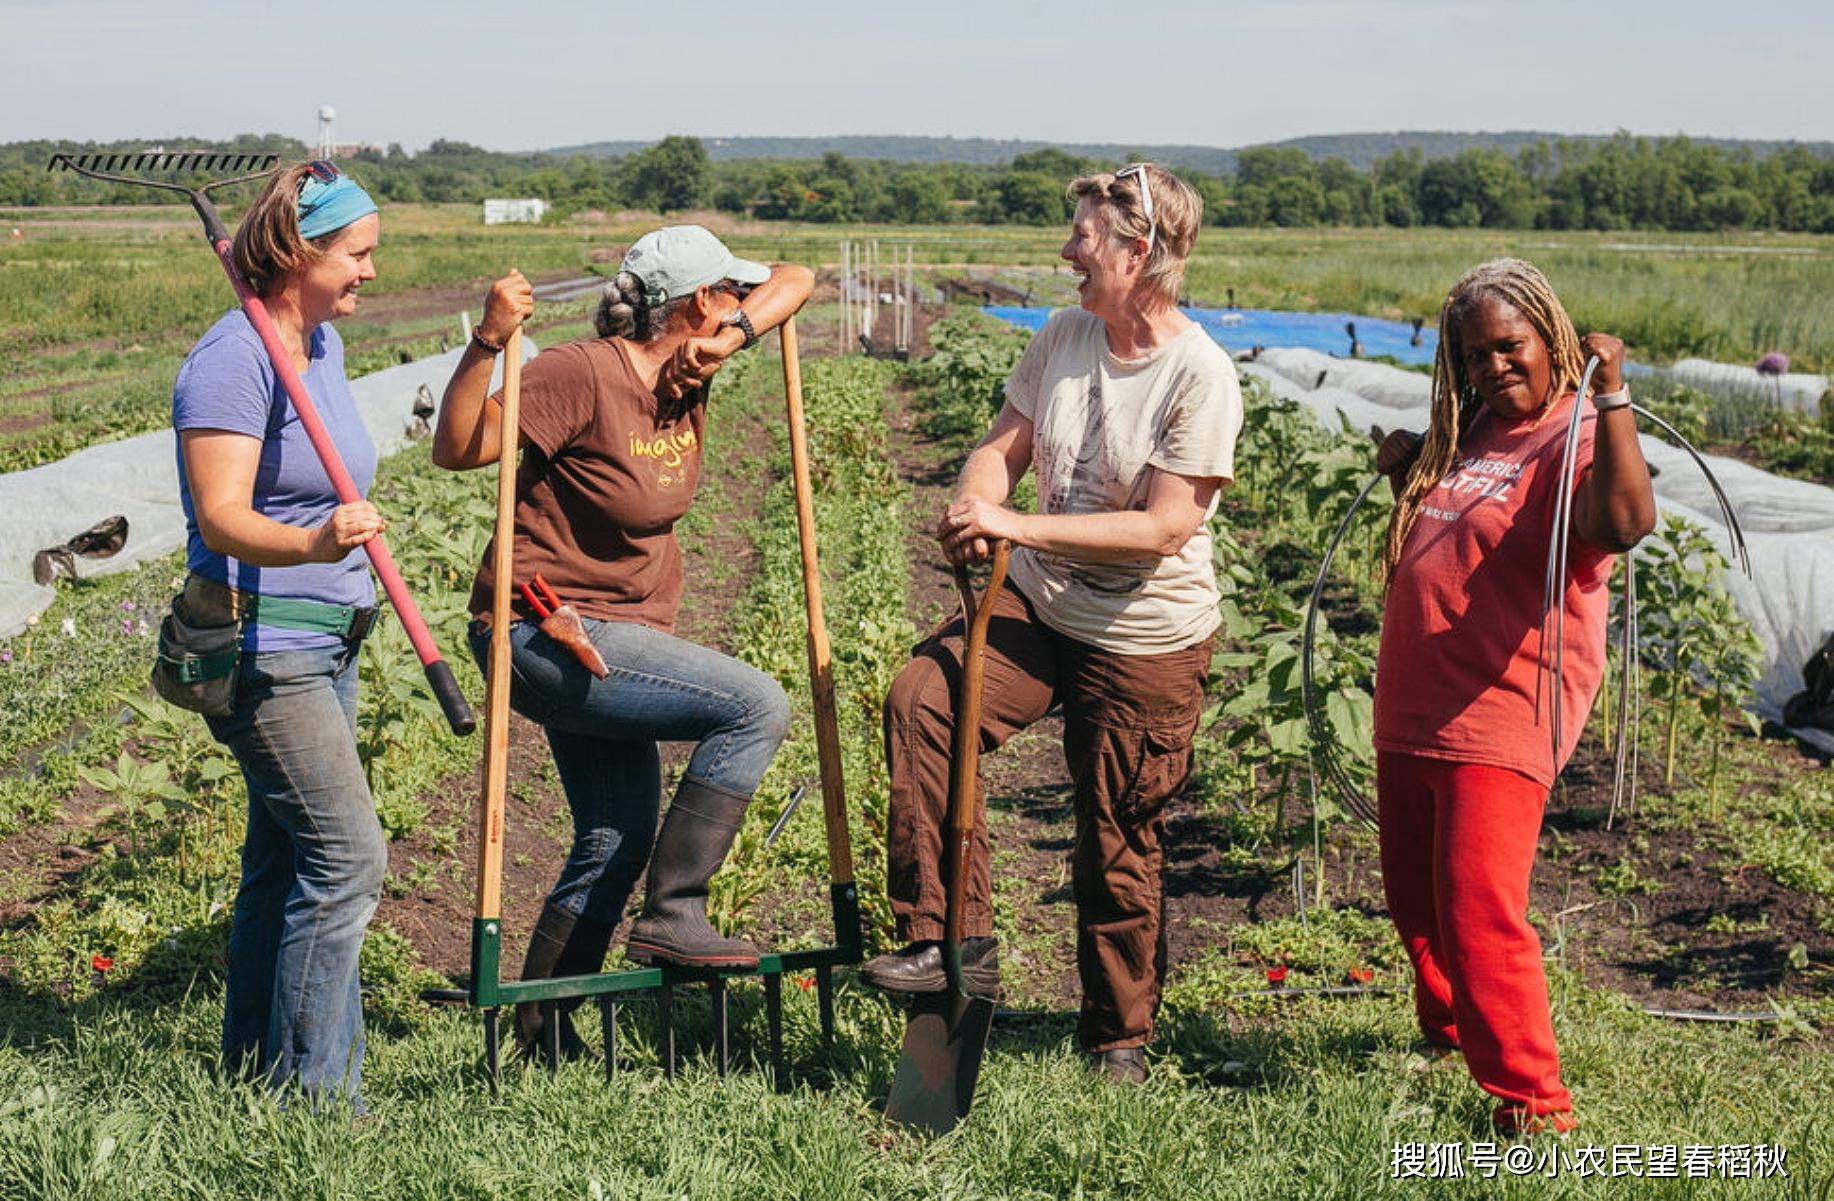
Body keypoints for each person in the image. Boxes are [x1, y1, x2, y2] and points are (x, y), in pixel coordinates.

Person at [859, 165, 1243, 1084]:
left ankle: (1118, 1038)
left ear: (1136, 252)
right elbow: (1003, 444)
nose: (1068, 251)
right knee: (924, 699)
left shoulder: (1199, 375)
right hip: (1037, 602)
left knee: (1114, 835)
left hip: (1145, 636)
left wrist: (1016, 523)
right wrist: (973, 495)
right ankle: (955, 937)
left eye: (1083, 237)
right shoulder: (1066, 333)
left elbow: (1163, 525)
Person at [434, 226, 813, 1060]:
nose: (747, 301)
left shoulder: (694, 364)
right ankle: (676, 912)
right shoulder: (582, 374)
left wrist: (733, 339)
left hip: (625, 631)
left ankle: (540, 1030)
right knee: (756, 705)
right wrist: (488, 342)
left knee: (617, 832)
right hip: (542, 630)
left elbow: (799, 276)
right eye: (731, 293)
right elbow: (458, 448)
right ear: (697, 302)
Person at [1370, 258, 1656, 1136]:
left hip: (1501, 708)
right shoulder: (1475, 434)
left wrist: (1612, 400)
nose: (1493, 367)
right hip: (1416, 704)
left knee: (1478, 907)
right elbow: (1456, 540)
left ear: (1552, 341)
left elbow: (1622, 525)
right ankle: (1451, 1029)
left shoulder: (1573, 434)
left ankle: (1535, 1101)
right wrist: (1406, 473)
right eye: (1472, 356)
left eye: (1509, 346)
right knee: (1416, 900)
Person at [172, 161, 390, 1107]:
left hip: (330, 641)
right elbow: (220, 515)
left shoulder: (320, 347)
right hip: (266, 646)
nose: (370, 273)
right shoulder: (233, 358)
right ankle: (315, 1102)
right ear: (298, 254)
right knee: (347, 860)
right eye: (358, 254)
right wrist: (314, 540)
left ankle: (254, 1072)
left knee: (285, 861)